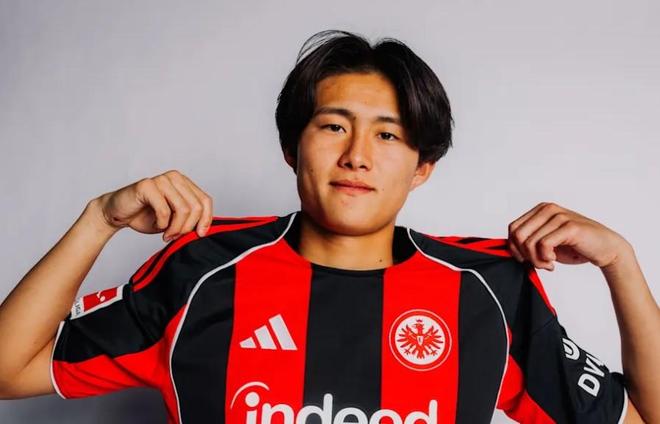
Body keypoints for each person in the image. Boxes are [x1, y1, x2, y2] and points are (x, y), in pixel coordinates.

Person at [0, 29, 657, 424]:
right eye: (334, 126)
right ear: (292, 147)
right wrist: (98, 221)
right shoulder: (201, 272)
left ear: (422, 167)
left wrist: (620, 263)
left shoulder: (487, 291)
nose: (357, 156)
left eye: (388, 134)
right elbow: (7, 371)